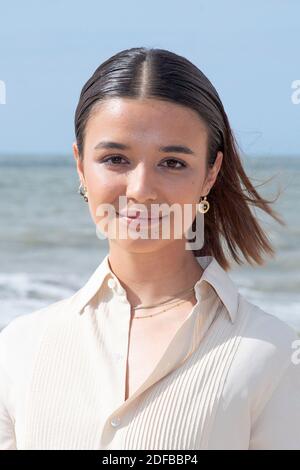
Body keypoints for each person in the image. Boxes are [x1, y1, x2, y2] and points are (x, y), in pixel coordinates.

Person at [0, 47, 299, 450]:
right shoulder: (19, 348)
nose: (140, 190)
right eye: (116, 158)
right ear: (80, 165)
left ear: (210, 174)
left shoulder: (275, 354)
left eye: (172, 162)